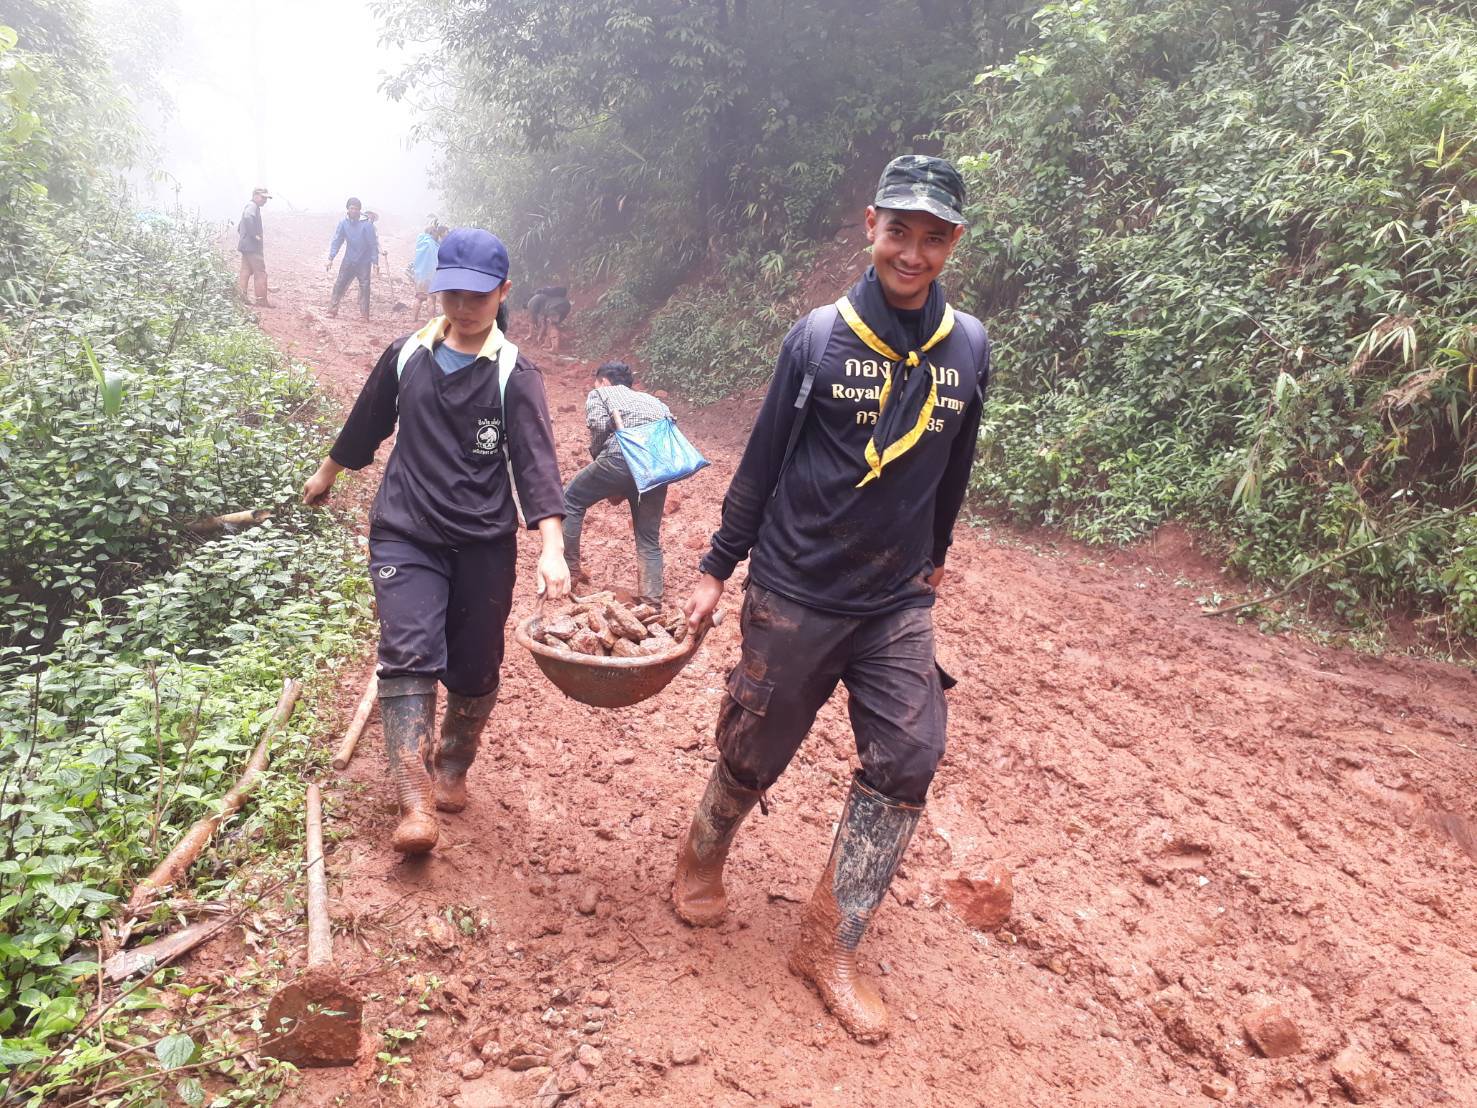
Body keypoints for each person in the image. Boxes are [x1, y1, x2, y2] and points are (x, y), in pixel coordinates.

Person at [673, 155, 990, 1042]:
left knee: (910, 756)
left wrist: (934, 555)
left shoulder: (967, 346)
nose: (913, 252)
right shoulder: (818, 337)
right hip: (795, 587)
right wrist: (714, 570)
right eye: (900, 231)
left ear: (952, 243)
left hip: (894, 600)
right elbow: (763, 461)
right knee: (755, 743)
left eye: (933, 237)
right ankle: (701, 852)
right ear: (870, 227)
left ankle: (829, 941)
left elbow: (954, 463)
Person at [301, 227, 570, 854]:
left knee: (475, 668)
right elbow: (365, 422)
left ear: (504, 292)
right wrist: (326, 474)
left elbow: (536, 465)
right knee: (408, 648)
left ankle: (452, 762)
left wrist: (552, 546)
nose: (463, 305)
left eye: (477, 294)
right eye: (450, 292)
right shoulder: (406, 356)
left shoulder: (512, 374)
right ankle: (414, 799)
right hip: (406, 532)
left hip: (482, 540)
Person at [562, 361, 673, 604]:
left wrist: (601, 461)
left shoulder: (600, 393)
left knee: (569, 500)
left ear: (603, 380)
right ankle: (651, 601)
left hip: (618, 460)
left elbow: (599, 426)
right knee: (648, 537)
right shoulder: (655, 402)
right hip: (654, 469)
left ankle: (569, 573)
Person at [325, 196, 380, 319]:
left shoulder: (367, 225)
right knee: (339, 284)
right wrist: (330, 258)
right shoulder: (343, 223)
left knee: (365, 287)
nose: (354, 211)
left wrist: (375, 262)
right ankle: (332, 310)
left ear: (360, 210)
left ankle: (364, 315)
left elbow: (372, 244)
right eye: (351, 208)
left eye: (356, 209)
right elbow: (337, 240)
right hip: (349, 259)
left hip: (364, 262)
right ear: (347, 209)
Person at [237, 186, 272, 307]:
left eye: (266, 198)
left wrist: (245, 236)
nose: (265, 200)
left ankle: (241, 298)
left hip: (245, 246)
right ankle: (261, 300)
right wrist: (254, 235)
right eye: (263, 198)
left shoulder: (250, 206)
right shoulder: (252, 207)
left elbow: (240, 226)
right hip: (252, 247)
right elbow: (247, 218)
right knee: (260, 272)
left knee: (245, 271)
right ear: (255, 196)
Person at [412, 219, 447, 318]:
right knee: (431, 298)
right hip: (430, 275)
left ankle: (413, 318)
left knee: (418, 297)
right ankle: (431, 319)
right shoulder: (433, 244)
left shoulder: (420, 242)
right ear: (432, 233)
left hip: (419, 275)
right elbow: (436, 259)